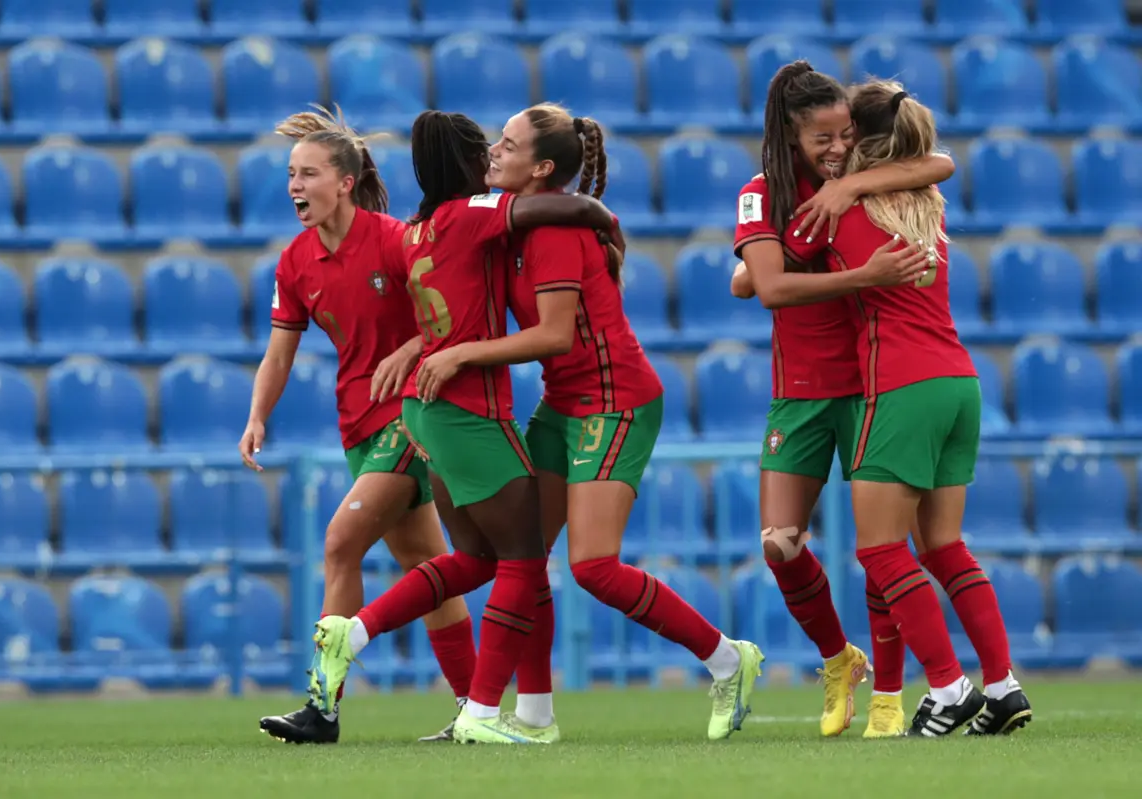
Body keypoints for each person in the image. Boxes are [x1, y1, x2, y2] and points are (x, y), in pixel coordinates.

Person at [415, 104, 765, 743]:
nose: (493, 150)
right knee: (523, 558)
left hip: (615, 400)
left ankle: (726, 659)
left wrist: (460, 354)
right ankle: (529, 718)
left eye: (509, 144)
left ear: (541, 167)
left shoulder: (549, 234)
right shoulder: (515, 224)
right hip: (566, 400)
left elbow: (552, 336)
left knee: (594, 567)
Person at [312, 109, 620, 745]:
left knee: (476, 559)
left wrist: (412, 347)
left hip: (427, 411)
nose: (491, 154)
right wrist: (600, 215)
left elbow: (433, 302)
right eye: (484, 147)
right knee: (526, 558)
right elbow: (547, 211)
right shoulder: (472, 212)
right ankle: (486, 713)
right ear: (466, 163)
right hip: (468, 409)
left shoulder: (416, 229)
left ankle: (356, 631)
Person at [730, 60, 955, 738]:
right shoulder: (761, 193)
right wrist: (864, 274)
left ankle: (890, 693)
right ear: (789, 135)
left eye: (845, 135)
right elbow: (765, 288)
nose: (836, 147)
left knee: (879, 545)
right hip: (798, 391)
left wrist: (853, 179)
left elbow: (938, 163)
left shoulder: (860, 185)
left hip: (871, 383)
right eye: (822, 138)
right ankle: (839, 658)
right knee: (780, 543)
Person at [241, 105, 475, 745]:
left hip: (411, 416)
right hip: (358, 426)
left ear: (344, 181)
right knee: (426, 562)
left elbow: (449, 316)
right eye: (290, 174)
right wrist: (258, 414)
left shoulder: (396, 239)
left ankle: (322, 706)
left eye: (307, 173)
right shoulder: (295, 262)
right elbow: (279, 351)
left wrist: (409, 352)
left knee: (342, 544)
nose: (294, 186)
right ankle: (476, 709)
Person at [819, 81, 1031, 736]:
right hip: (958, 382)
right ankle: (1003, 685)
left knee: (880, 550)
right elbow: (937, 162)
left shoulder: (841, 213)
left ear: (863, 140)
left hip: (902, 386)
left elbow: (771, 280)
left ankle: (947, 686)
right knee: (943, 545)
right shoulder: (924, 202)